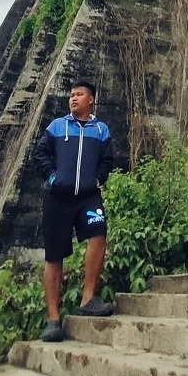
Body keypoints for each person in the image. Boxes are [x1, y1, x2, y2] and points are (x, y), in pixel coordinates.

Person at [33, 80, 115, 342]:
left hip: (89, 197)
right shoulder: (57, 126)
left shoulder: (101, 129)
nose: (73, 98)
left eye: (79, 94)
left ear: (91, 99)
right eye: (71, 95)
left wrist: (98, 179)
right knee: (54, 256)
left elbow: (107, 159)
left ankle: (88, 298)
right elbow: (40, 153)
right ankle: (53, 319)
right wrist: (53, 178)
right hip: (58, 198)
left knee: (99, 233)